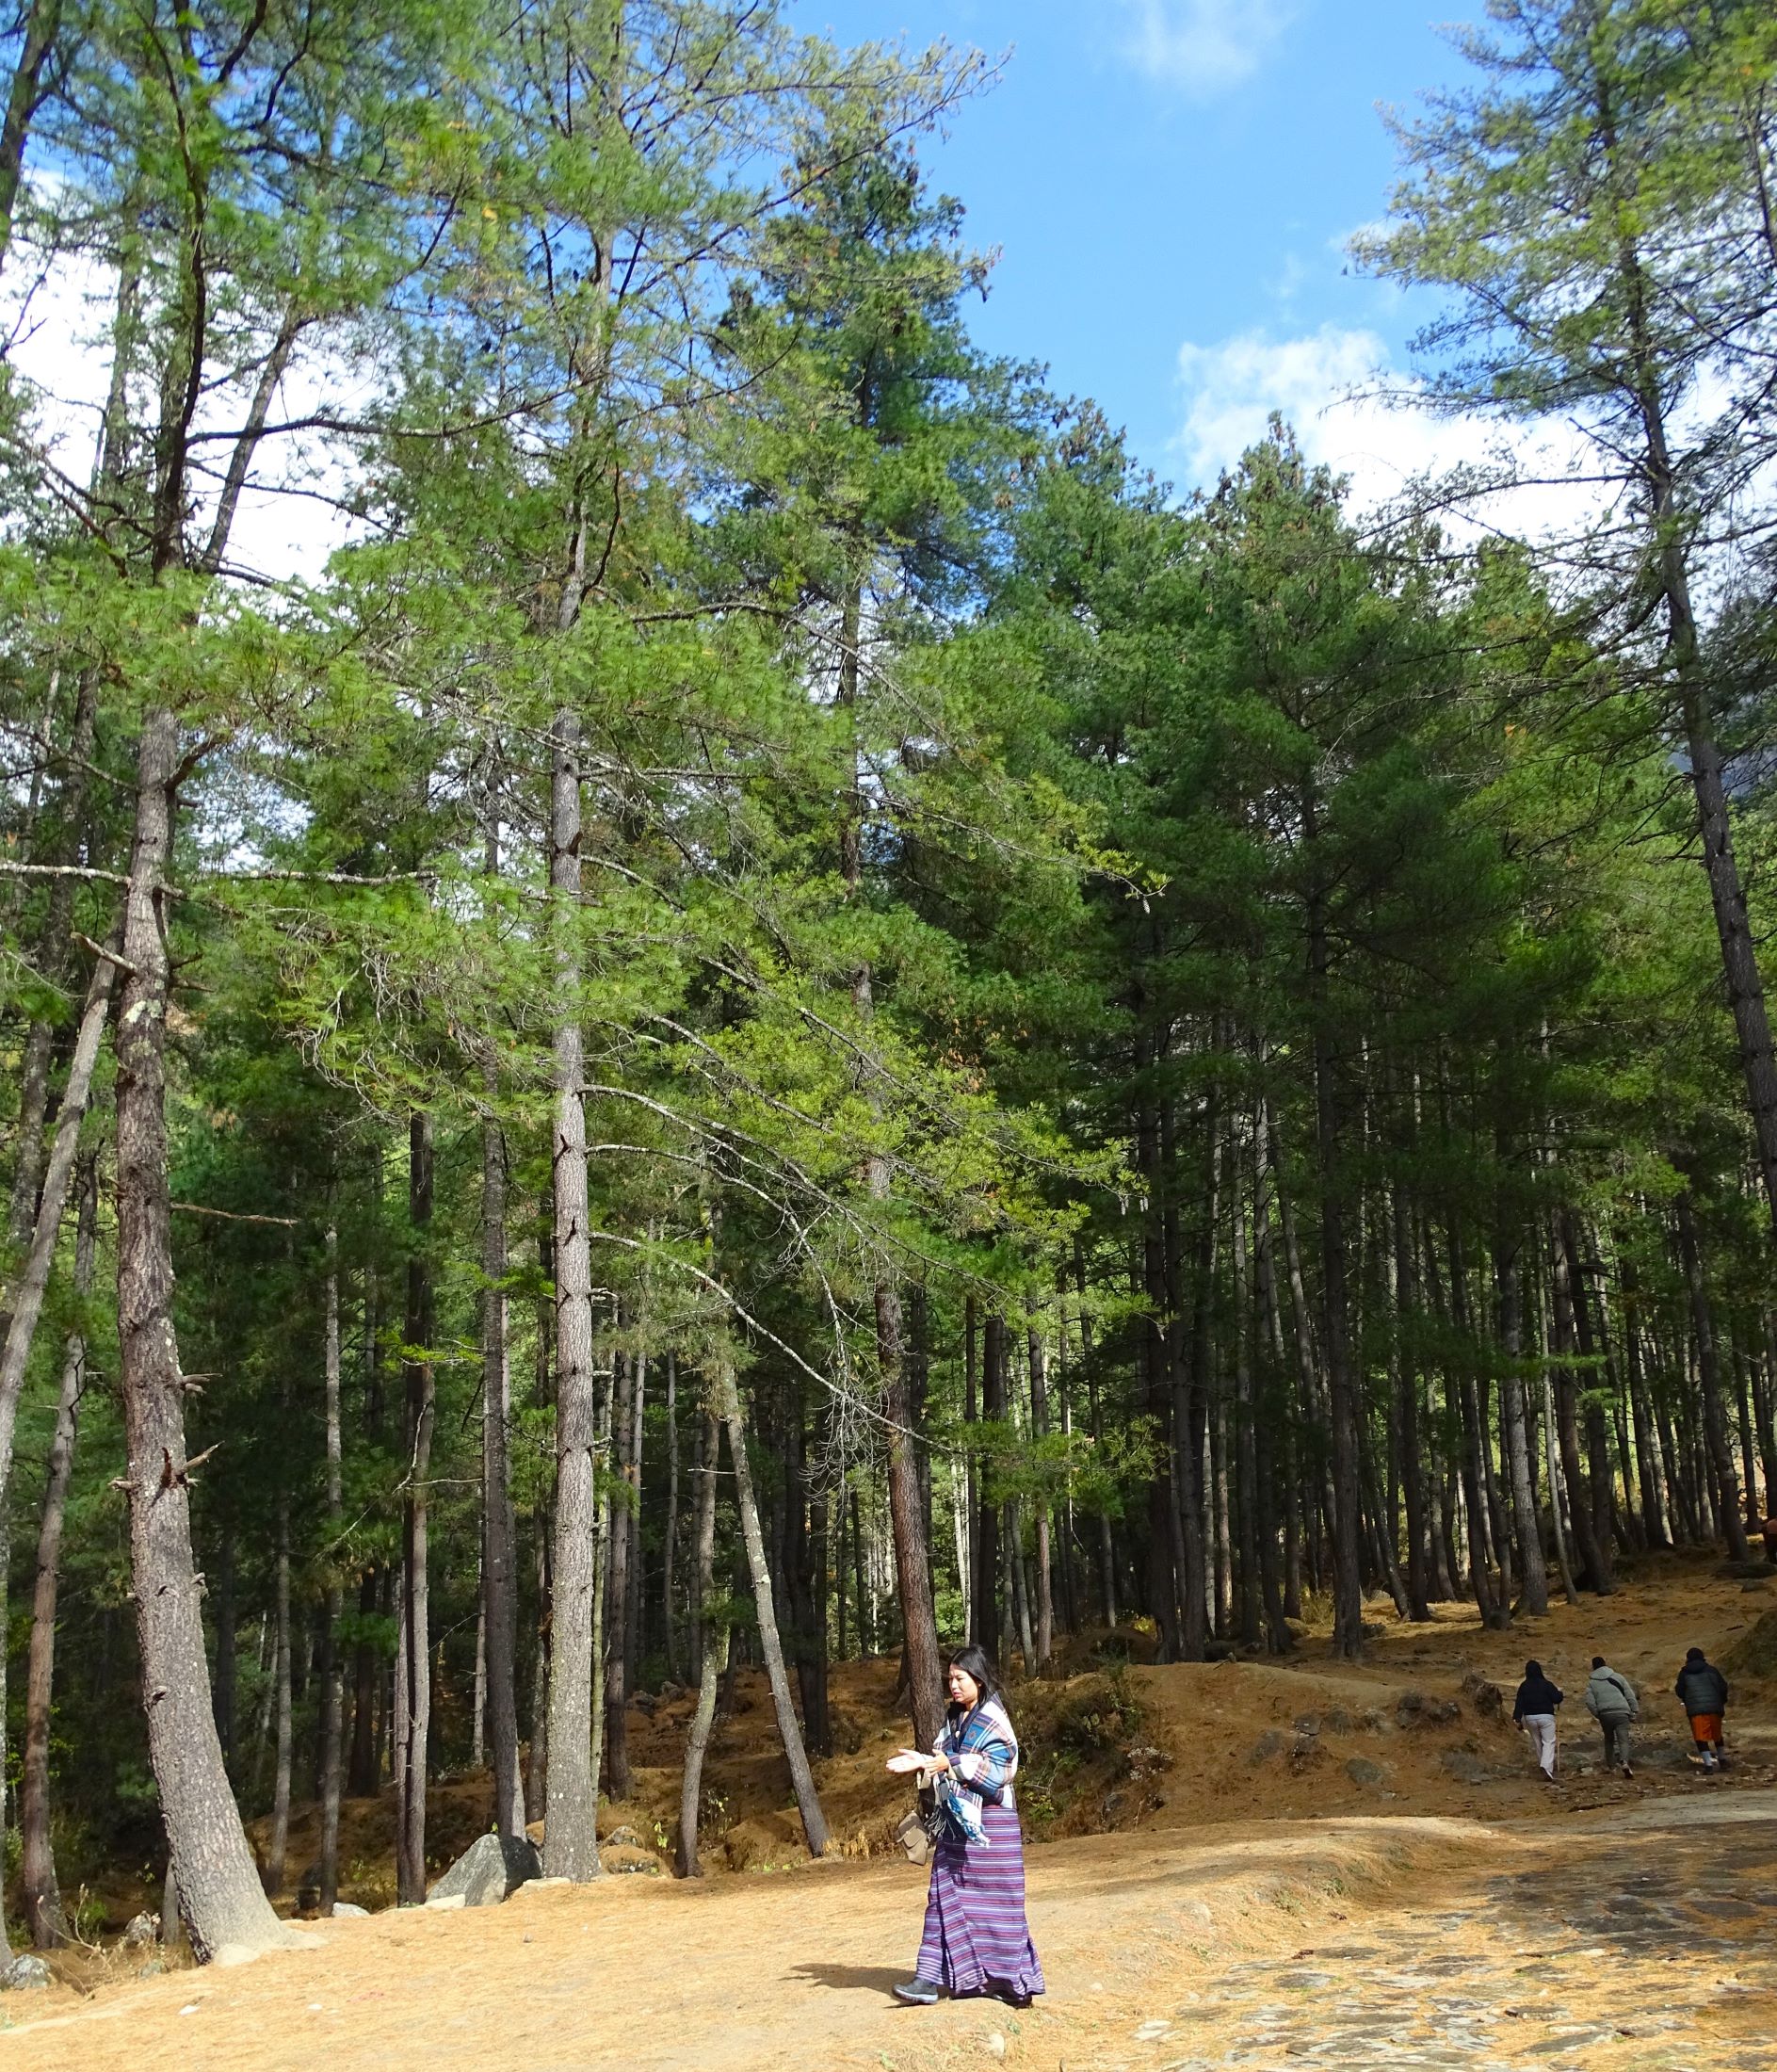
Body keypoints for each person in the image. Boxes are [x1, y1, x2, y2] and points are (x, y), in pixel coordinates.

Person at [886, 1646, 1045, 2009]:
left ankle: (1013, 1983)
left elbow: (1000, 1771)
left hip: (993, 1829)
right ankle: (928, 1979)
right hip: (960, 1824)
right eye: (950, 1679)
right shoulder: (955, 1720)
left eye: (960, 1679)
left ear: (979, 1679)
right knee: (942, 1893)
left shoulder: (994, 1719)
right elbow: (947, 1761)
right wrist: (924, 1761)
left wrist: (948, 1762)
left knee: (1001, 1909)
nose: (953, 1686)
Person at [1582, 1654, 1639, 1778]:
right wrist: (1634, 1710)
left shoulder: (1592, 1683)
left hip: (1605, 1714)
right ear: (1605, 1663)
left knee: (1609, 1740)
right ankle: (1624, 1762)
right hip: (1622, 1712)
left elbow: (1590, 1702)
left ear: (1593, 1667)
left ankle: (1611, 1766)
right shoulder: (1618, 1677)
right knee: (1623, 1739)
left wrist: (1597, 1713)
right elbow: (1629, 1694)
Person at [1674, 1646, 1730, 1772]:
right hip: (1714, 1707)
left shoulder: (1684, 1673)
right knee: (1717, 1734)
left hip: (1696, 1709)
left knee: (1700, 1736)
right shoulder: (1712, 1670)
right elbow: (1722, 1687)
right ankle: (1722, 1760)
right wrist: (1721, 1701)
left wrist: (1687, 1700)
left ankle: (1708, 1765)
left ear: (1688, 1659)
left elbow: (1680, 1691)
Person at [1511, 1659, 1564, 1781]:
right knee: (1549, 1742)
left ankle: (1543, 1766)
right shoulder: (1546, 1684)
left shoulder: (1524, 1686)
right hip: (1546, 1717)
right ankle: (1546, 1768)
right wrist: (1560, 1694)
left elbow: (1519, 1703)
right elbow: (1556, 1698)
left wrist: (1517, 1718)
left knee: (1537, 1742)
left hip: (1530, 1718)